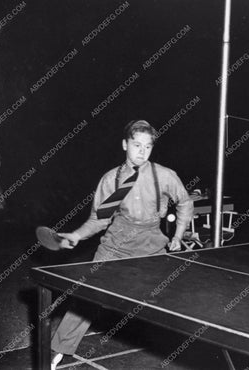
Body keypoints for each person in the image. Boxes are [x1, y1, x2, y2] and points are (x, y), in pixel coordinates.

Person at [50, 120, 193, 369]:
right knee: (87, 295)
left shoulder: (165, 175)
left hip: (151, 243)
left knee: (171, 299)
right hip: (115, 244)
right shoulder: (111, 180)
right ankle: (57, 349)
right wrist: (76, 235)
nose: (142, 151)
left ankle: (184, 354)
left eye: (147, 146)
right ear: (125, 144)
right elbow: (98, 220)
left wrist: (178, 236)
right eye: (137, 145)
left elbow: (185, 202)